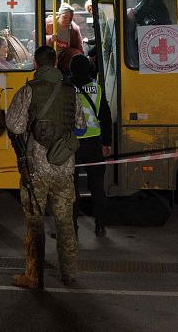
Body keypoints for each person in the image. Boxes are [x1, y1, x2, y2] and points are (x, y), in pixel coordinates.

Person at [5, 45, 86, 289]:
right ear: (56, 63)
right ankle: (69, 273)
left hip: (37, 168)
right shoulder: (71, 91)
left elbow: (15, 126)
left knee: (35, 222)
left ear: (36, 64)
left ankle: (33, 275)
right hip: (64, 165)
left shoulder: (28, 90)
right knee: (65, 222)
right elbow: (80, 126)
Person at [68, 54, 113, 237]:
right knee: (97, 187)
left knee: (72, 187)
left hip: (72, 145)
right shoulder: (97, 89)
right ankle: (100, 225)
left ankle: (73, 228)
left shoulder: (66, 88)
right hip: (94, 143)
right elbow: (106, 117)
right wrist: (107, 143)